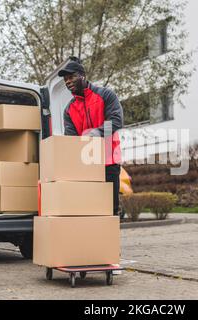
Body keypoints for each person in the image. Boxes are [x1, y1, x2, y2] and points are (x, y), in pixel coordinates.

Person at [59, 56, 124, 216]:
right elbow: (71, 140)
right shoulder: (69, 109)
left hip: (109, 162)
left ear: (83, 76)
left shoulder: (105, 95)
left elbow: (117, 121)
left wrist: (97, 133)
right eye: (65, 79)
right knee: (90, 209)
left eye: (71, 76)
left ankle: (108, 240)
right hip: (85, 165)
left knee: (110, 209)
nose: (68, 81)